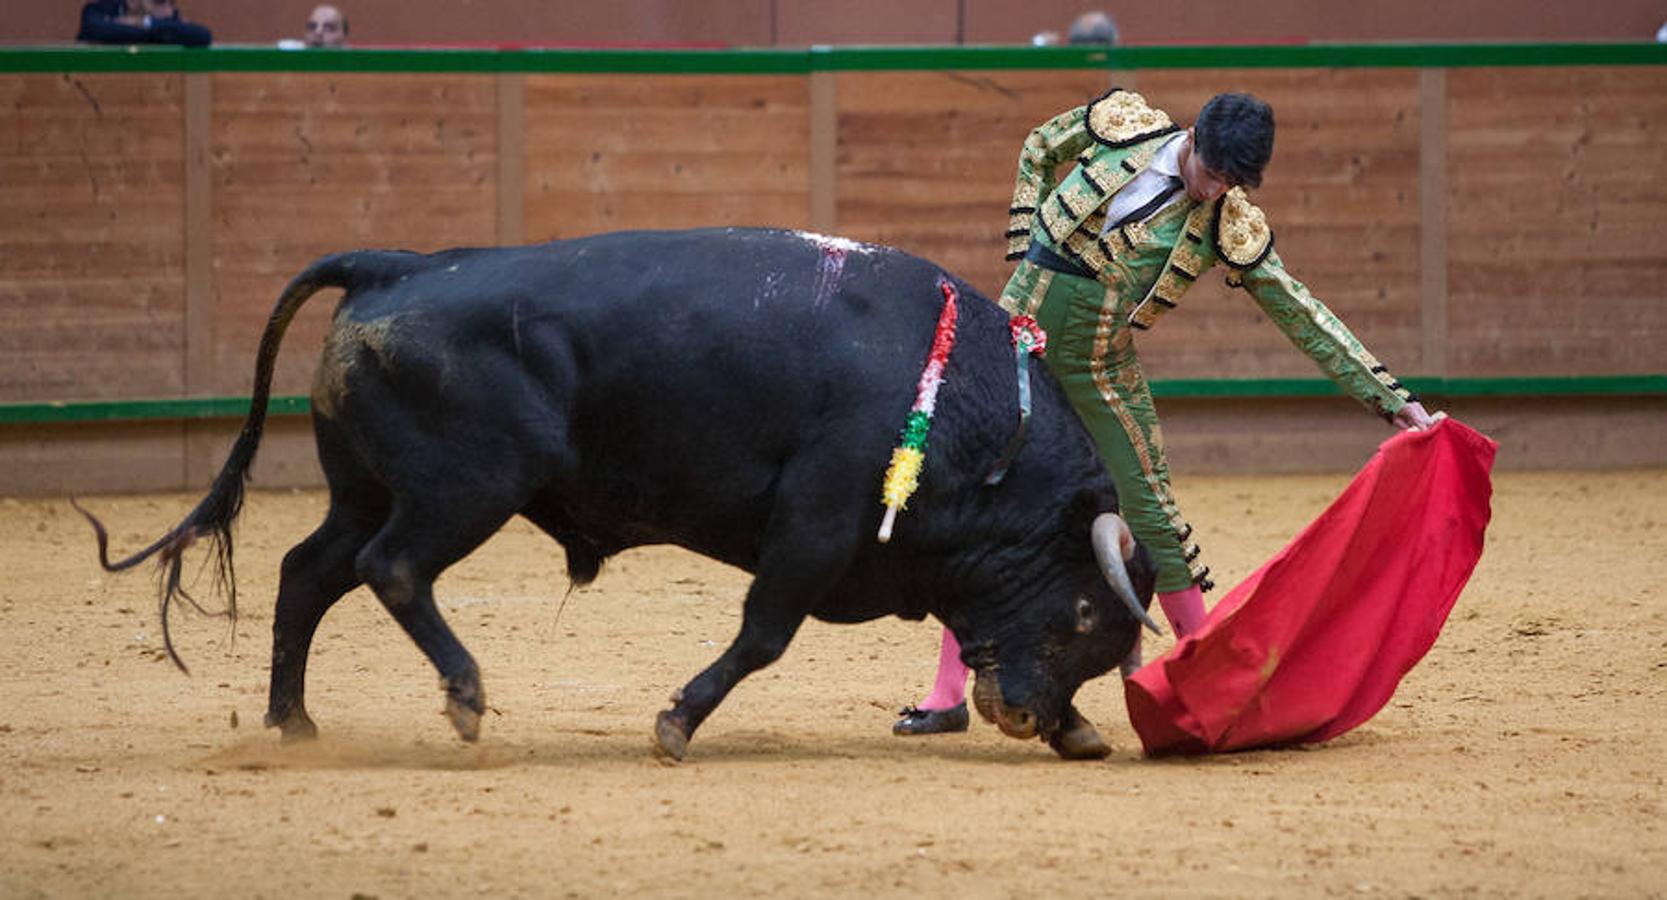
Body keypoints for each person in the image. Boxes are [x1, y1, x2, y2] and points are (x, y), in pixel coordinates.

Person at [893, 88, 1435, 736]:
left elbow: (1301, 314)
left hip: (1099, 365)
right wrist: (1026, 238)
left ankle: (1205, 685)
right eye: (1211, 173)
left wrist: (1390, 398)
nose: (1214, 192)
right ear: (1192, 139)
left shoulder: (1226, 224)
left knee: (1150, 511)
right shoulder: (1124, 125)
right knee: (980, 501)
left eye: (1231, 182)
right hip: (1014, 342)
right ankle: (946, 695)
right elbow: (1039, 146)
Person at [76, 0, 212, 47]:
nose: (169, 11)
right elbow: (97, 31)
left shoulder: (164, 19)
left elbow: (203, 36)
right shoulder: (100, 10)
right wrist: (155, 35)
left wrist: (146, 23)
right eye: (159, 1)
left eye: (171, 2)